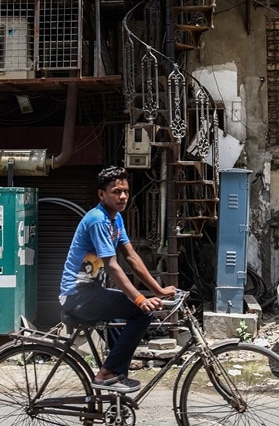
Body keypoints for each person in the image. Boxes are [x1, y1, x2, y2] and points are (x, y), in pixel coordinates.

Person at [59, 166, 176, 392]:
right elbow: (113, 266)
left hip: (91, 291)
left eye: (125, 191)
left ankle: (115, 375)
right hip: (78, 295)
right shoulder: (98, 220)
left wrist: (158, 290)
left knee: (126, 317)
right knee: (142, 314)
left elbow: (131, 257)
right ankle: (106, 374)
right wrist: (141, 300)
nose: (123, 196)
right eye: (116, 192)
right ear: (101, 195)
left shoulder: (116, 218)